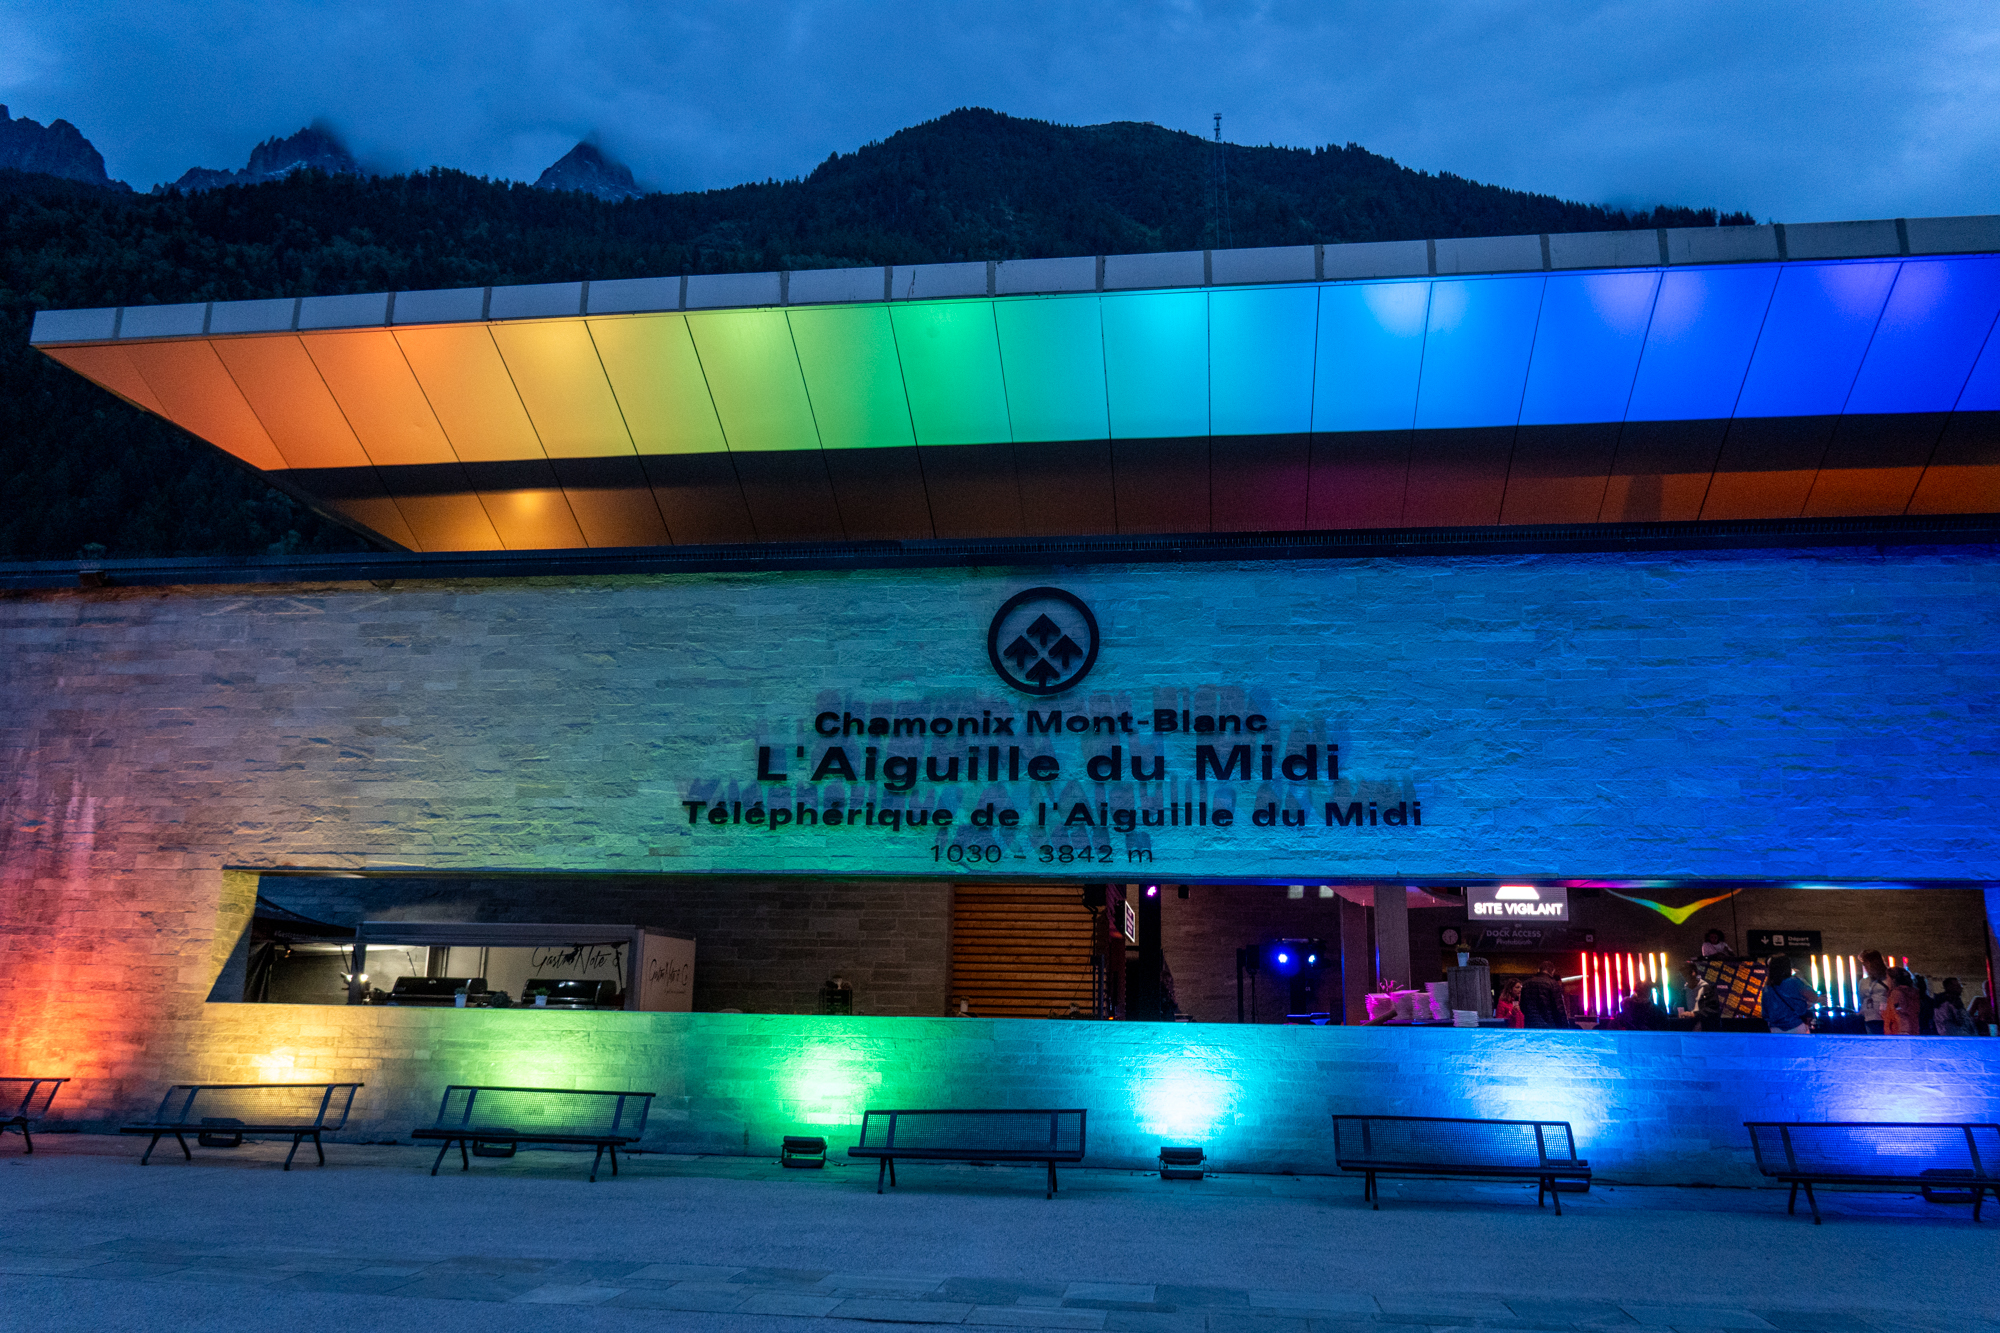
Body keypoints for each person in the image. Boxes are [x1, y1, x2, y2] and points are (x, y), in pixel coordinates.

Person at [1761, 954, 1817, 1034]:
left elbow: (1765, 1014)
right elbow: (1813, 996)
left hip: (1775, 1030)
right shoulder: (1794, 982)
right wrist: (1800, 977)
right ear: (1787, 967)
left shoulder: (1766, 989)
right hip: (1796, 1027)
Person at [1519, 958, 1573, 1029]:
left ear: (1539, 970)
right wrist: (1565, 1027)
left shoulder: (1526, 984)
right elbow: (1559, 1009)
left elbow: (1522, 1006)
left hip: (1530, 1026)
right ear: (1552, 971)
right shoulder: (1553, 984)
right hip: (1549, 1026)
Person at [1882, 967, 1922, 1035]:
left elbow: (1899, 1012)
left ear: (1893, 980)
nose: (1886, 980)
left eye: (1887, 977)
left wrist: (1903, 1032)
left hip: (1898, 1031)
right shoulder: (1911, 993)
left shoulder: (1896, 994)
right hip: (1913, 1029)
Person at [1857, 950, 1890, 1034]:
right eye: (1864, 964)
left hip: (1885, 1018)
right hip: (1869, 1017)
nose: (1865, 967)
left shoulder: (1888, 979)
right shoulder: (1863, 982)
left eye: (1867, 963)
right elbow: (1862, 999)